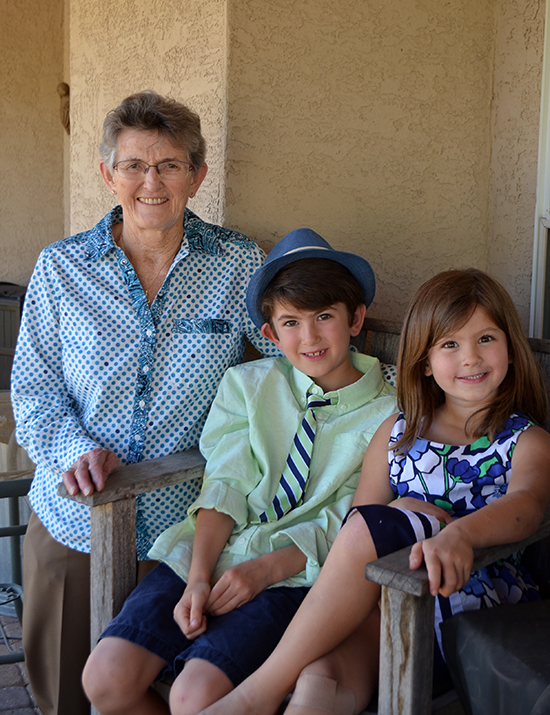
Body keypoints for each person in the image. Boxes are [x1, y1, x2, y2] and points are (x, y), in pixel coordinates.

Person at [11, 89, 279, 715]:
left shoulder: (241, 264)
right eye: (133, 164)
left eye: (169, 165)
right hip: (78, 521)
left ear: (197, 176)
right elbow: (35, 390)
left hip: (189, 535)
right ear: (108, 174)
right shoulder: (60, 267)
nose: (150, 181)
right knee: (65, 692)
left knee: (167, 690)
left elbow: (278, 374)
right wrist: (75, 452)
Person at [197, 268, 550, 715]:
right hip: (383, 607)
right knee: (318, 681)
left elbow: (527, 507)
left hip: (469, 610)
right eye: (449, 344)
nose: (470, 359)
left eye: (486, 339)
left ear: (511, 349)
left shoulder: (525, 440)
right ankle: (268, 693)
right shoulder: (398, 432)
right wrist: (400, 512)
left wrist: (459, 535)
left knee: (385, 521)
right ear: (424, 360)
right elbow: (359, 526)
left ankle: (255, 695)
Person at [81, 227, 397, 715]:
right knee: (105, 680)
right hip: (209, 553)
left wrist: (264, 569)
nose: (308, 337)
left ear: (355, 319)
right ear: (269, 333)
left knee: (194, 696)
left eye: (324, 317)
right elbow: (225, 483)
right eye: (290, 322)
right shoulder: (247, 385)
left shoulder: (390, 413)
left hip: (298, 577)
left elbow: (351, 518)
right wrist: (199, 577)